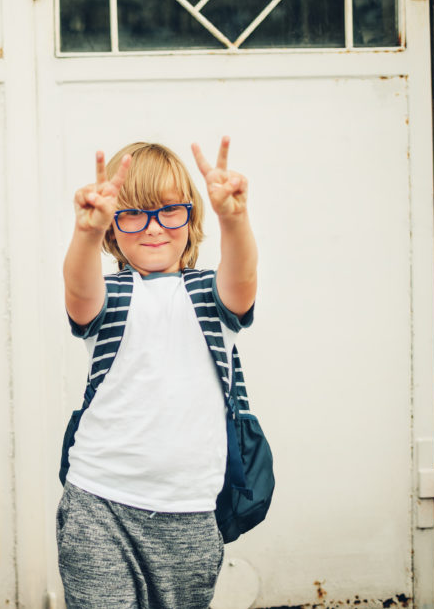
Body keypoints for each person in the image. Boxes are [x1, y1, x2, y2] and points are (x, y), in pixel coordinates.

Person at [57, 139, 257, 608]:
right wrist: (85, 233)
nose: (152, 228)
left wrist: (234, 218)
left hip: (189, 512)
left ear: (191, 217)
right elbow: (78, 290)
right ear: (113, 227)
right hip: (98, 503)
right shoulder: (110, 294)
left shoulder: (211, 294)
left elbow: (243, 280)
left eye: (169, 211)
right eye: (133, 214)